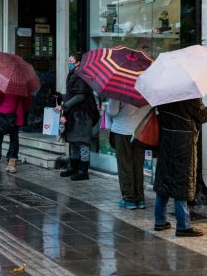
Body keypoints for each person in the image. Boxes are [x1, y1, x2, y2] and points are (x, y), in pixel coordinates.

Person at [153, 98, 207, 237]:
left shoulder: (163, 95)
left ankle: (160, 221)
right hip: (183, 145)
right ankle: (183, 226)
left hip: (166, 143)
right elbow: (205, 115)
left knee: (164, 181)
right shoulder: (189, 96)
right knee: (181, 182)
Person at [56, 53, 99, 181]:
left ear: (78, 62)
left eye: (71, 61)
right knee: (73, 142)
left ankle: (83, 170)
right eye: (68, 60)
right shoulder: (73, 75)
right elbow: (73, 94)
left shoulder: (81, 76)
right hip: (75, 114)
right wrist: (61, 96)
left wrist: (64, 106)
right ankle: (73, 168)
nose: (68, 63)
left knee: (82, 142)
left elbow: (80, 96)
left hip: (82, 115)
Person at [107, 99, 149, 209]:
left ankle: (129, 198)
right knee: (138, 166)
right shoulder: (147, 88)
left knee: (125, 165)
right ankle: (140, 198)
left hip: (123, 131)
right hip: (140, 132)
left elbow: (112, 111)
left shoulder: (121, 87)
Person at [0, 87, 31, 175]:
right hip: (17, 115)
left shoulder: (4, 82)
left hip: (3, 113)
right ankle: (12, 165)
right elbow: (27, 103)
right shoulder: (24, 85)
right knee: (14, 139)